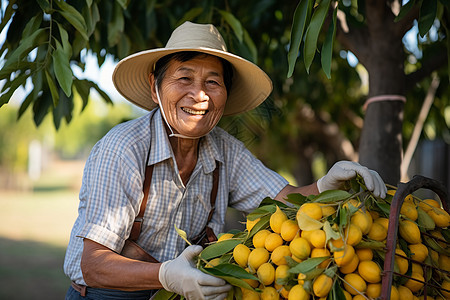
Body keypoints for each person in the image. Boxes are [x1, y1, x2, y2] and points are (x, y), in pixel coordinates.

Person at [63, 21, 386, 300]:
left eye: (213, 82)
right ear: (155, 87)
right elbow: (93, 265)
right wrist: (165, 275)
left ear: (225, 95)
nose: (200, 95)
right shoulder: (123, 149)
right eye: (184, 78)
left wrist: (325, 185)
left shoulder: (224, 151)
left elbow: (284, 201)